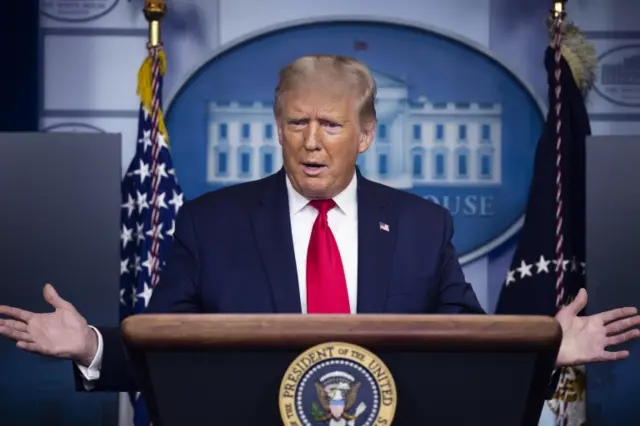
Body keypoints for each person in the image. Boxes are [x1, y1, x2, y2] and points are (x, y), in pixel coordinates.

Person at [1, 54, 639, 395]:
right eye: (297, 123)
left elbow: (466, 347)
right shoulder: (209, 224)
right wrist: (90, 345)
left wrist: (545, 347)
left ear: (364, 135)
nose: (311, 142)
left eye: (331, 125)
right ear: (277, 129)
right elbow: (163, 348)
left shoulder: (422, 226)